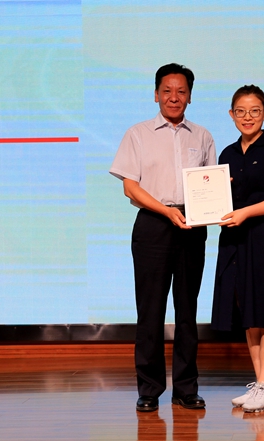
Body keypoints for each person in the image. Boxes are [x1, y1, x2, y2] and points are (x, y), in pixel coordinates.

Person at [110, 63, 216, 412]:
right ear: (156, 94)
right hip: (153, 224)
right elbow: (130, 187)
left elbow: (209, 185)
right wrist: (167, 211)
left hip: (192, 225)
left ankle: (186, 388)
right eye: (167, 91)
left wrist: (217, 200)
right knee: (150, 311)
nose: (174, 97)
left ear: (190, 96)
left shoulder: (202, 136)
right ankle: (149, 389)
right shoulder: (138, 134)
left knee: (187, 310)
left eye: (181, 91)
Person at [212, 85, 264, 413]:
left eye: (255, 111)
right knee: (249, 315)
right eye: (241, 111)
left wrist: (246, 212)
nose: (247, 117)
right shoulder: (227, 155)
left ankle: (263, 385)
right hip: (234, 240)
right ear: (231, 115)